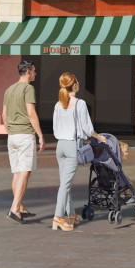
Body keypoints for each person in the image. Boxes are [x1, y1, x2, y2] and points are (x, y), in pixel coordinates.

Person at [52, 72, 101, 231]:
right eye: (77, 81)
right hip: (73, 146)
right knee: (65, 185)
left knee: (64, 184)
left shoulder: (58, 104)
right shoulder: (80, 103)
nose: (78, 82)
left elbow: (54, 128)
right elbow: (88, 128)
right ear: (74, 85)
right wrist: (98, 137)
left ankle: (71, 214)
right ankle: (58, 218)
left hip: (60, 146)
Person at [5, 60, 45, 223]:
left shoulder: (9, 89)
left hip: (12, 136)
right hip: (25, 135)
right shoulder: (28, 88)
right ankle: (14, 209)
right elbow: (31, 112)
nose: (35, 73)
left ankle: (20, 207)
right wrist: (40, 135)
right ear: (28, 71)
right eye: (34, 70)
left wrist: (10, 132)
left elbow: (3, 115)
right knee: (25, 172)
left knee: (17, 172)